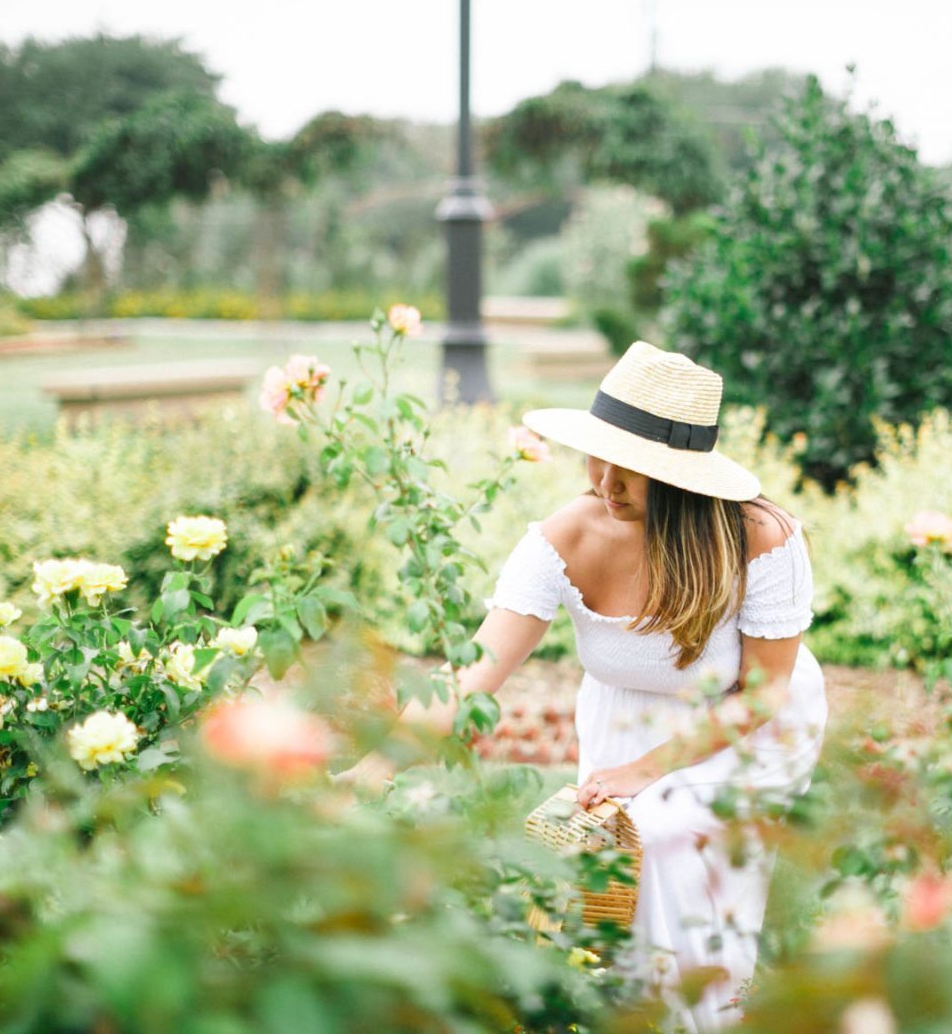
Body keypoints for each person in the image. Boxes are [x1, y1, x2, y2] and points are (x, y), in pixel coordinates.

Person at [351, 341, 828, 1031]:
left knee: (664, 838)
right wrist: (373, 766)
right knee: (610, 868)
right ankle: (630, 1009)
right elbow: (473, 674)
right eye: (596, 454)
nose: (605, 481)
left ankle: (706, 1012)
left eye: (630, 468)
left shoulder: (760, 537)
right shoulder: (563, 538)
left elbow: (762, 693)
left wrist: (644, 771)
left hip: (745, 724)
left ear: (682, 475)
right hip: (625, 720)